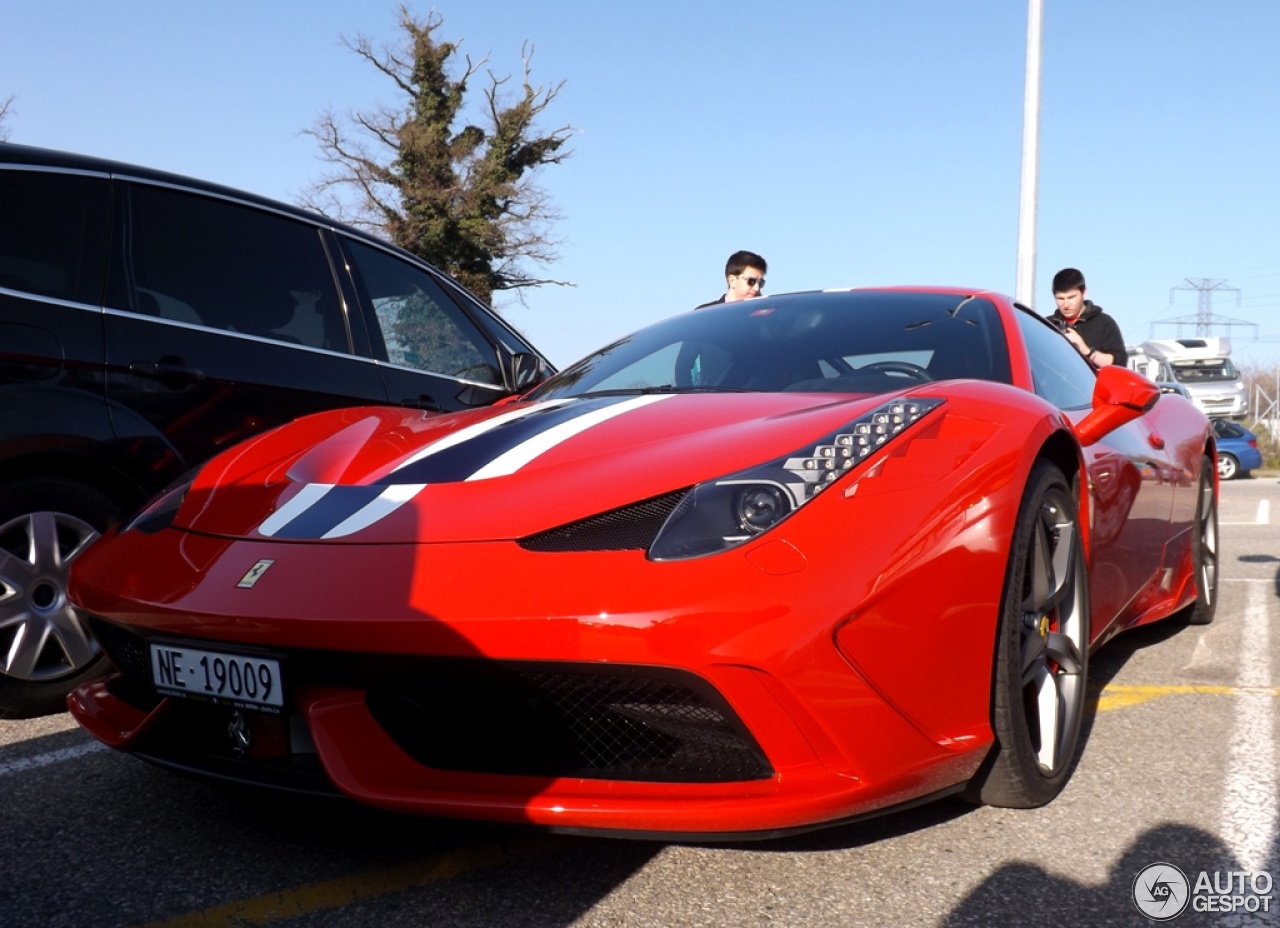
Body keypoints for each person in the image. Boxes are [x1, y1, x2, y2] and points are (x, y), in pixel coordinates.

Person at [1048, 267, 1127, 367]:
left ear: (1084, 293)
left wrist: (1087, 351)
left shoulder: (1104, 323)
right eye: (1060, 298)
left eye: (1071, 297)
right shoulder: (1046, 326)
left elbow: (1119, 364)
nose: (1066, 304)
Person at [697, 250, 767, 308]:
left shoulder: (764, 317)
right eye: (751, 281)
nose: (757, 288)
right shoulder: (705, 314)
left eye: (761, 283)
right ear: (732, 281)